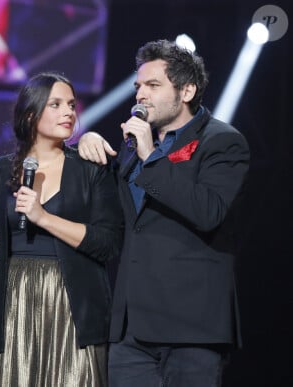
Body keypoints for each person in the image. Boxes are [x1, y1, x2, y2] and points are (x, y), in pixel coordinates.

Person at [78, 39, 250, 386]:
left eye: (153, 85)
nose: (140, 95)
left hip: (191, 328)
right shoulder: (134, 148)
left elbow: (208, 211)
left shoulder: (222, 142)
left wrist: (150, 156)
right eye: (138, 86)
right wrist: (86, 142)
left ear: (186, 91)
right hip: (132, 331)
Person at [0, 72, 123, 387]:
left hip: (73, 304)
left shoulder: (91, 169)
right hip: (9, 304)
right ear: (30, 114)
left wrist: (42, 217)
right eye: (56, 104)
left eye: (71, 105)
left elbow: (108, 242)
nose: (68, 112)